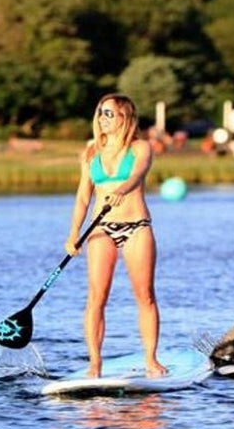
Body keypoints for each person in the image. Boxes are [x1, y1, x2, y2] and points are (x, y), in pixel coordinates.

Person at [66, 94, 168, 378]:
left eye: (109, 113)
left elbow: (137, 175)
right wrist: (73, 232)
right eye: (100, 113)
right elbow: (83, 196)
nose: (103, 118)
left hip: (136, 225)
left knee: (145, 295)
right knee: (96, 296)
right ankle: (95, 363)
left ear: (125, 117)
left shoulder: (140, 147)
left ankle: (151, 359)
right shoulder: (90, 153)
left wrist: (121, 190)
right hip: (100, 230)